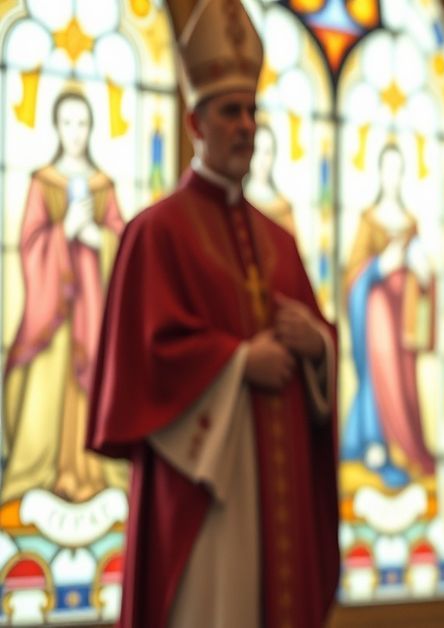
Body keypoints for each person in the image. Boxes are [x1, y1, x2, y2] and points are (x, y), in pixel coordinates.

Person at [85, 1, 339, 626]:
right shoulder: (156, 233)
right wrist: (235, 362)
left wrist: (319, 347)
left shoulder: (278, 241)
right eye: (231, 111)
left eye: (253, 111)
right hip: (205, 498)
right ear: (196, 123)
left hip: (278, 492)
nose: (246, 125)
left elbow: (318, 348)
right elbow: (141, 366)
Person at [3, 87, 127, 504]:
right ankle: (43, 473)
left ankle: (95, 472)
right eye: (68, 123)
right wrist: (63, 234)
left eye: (83, 123)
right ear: (57, 127)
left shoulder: (102, 185)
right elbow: (28, 244)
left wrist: (97, 237)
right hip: (53, 315)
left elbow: (126, 250)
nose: (75, 132)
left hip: (94, 311)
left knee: (95, 384)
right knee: (48, 391)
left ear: (91, 129)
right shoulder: (43, 182)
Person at [342, 143, 437, 488]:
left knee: (404, 385)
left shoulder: (411, 224)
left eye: (399, 170)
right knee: (379, 375)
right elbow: (352, 276)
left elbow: (425, 277)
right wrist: (380, 267)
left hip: (405, 321)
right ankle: (375, 445)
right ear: (381, 174)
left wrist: (425, 277)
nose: (393, 177)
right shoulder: (369, 221)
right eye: (388, 169)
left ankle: (407, 449)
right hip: (376, 319)